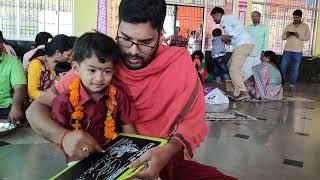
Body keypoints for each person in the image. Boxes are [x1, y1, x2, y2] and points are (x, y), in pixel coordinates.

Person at [27, 0, 236, 179]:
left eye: (145, 42)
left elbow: (191, 123)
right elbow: (35, 110)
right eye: (125, 39)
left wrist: (167, 151)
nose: (133, 51)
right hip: (103, 166)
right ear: (117, 28)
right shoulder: (102, 60)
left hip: (163, 160)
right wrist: (63, 136)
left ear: (161, 35)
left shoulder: (178, 64)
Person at [51, 32, 137, 160]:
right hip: (74, 160)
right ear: (76, 68)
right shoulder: (63, 102)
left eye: (107, 71)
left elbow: (130, 132)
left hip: (110, 157)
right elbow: (59, 142)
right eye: (92, 70)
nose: (99, 78)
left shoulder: (118, 96)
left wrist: (136, 157)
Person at [211, 7, 254, 101]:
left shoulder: (227, 18)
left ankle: (244, 92)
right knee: (230, 66)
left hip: (244, 44)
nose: (213, 20)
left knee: (233, 69)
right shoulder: (224, 23)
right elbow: (234, 37)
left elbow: (239, 27)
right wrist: (229, 41)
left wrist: (229, 36)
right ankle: (237, 92)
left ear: (218, 14)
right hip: (240, 45)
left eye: (214, 17)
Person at [27, 34, 73, 100]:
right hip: (39, 104)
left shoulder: (62, 65)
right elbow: (32, 92)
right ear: (58, 52)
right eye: (68, 55)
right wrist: (55, 98)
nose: (70, 57)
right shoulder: (36, 64)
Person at [0, 31, 27, 126]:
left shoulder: (13, 63)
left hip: (4, 109)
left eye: (0, 42)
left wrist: (16, 107)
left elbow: (20, 88)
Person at [280, 9, 310, 91]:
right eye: (294, 17)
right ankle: (281, 84)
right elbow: (282, 37)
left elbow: (308, 37)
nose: (295, 19)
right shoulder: (288, 26)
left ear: (301, 17)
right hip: (287, 50)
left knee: (295, 69)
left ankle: (292, 85)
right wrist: (287, 35)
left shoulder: (305, 26)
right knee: (283, 67)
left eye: (297, 17)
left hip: (298, 52)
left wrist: (298, 36)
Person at [243, 11, 269, 81]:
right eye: (252, 16)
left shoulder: (264, 27)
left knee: (257, 72)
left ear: (259, 17)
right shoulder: (248, 28)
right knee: (246, 71)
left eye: (256, 16)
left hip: (259, 54)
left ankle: (256, 87)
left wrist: (263, 52)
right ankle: (246, 87)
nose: (254, 17)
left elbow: (266, 41)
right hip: (249, 53)